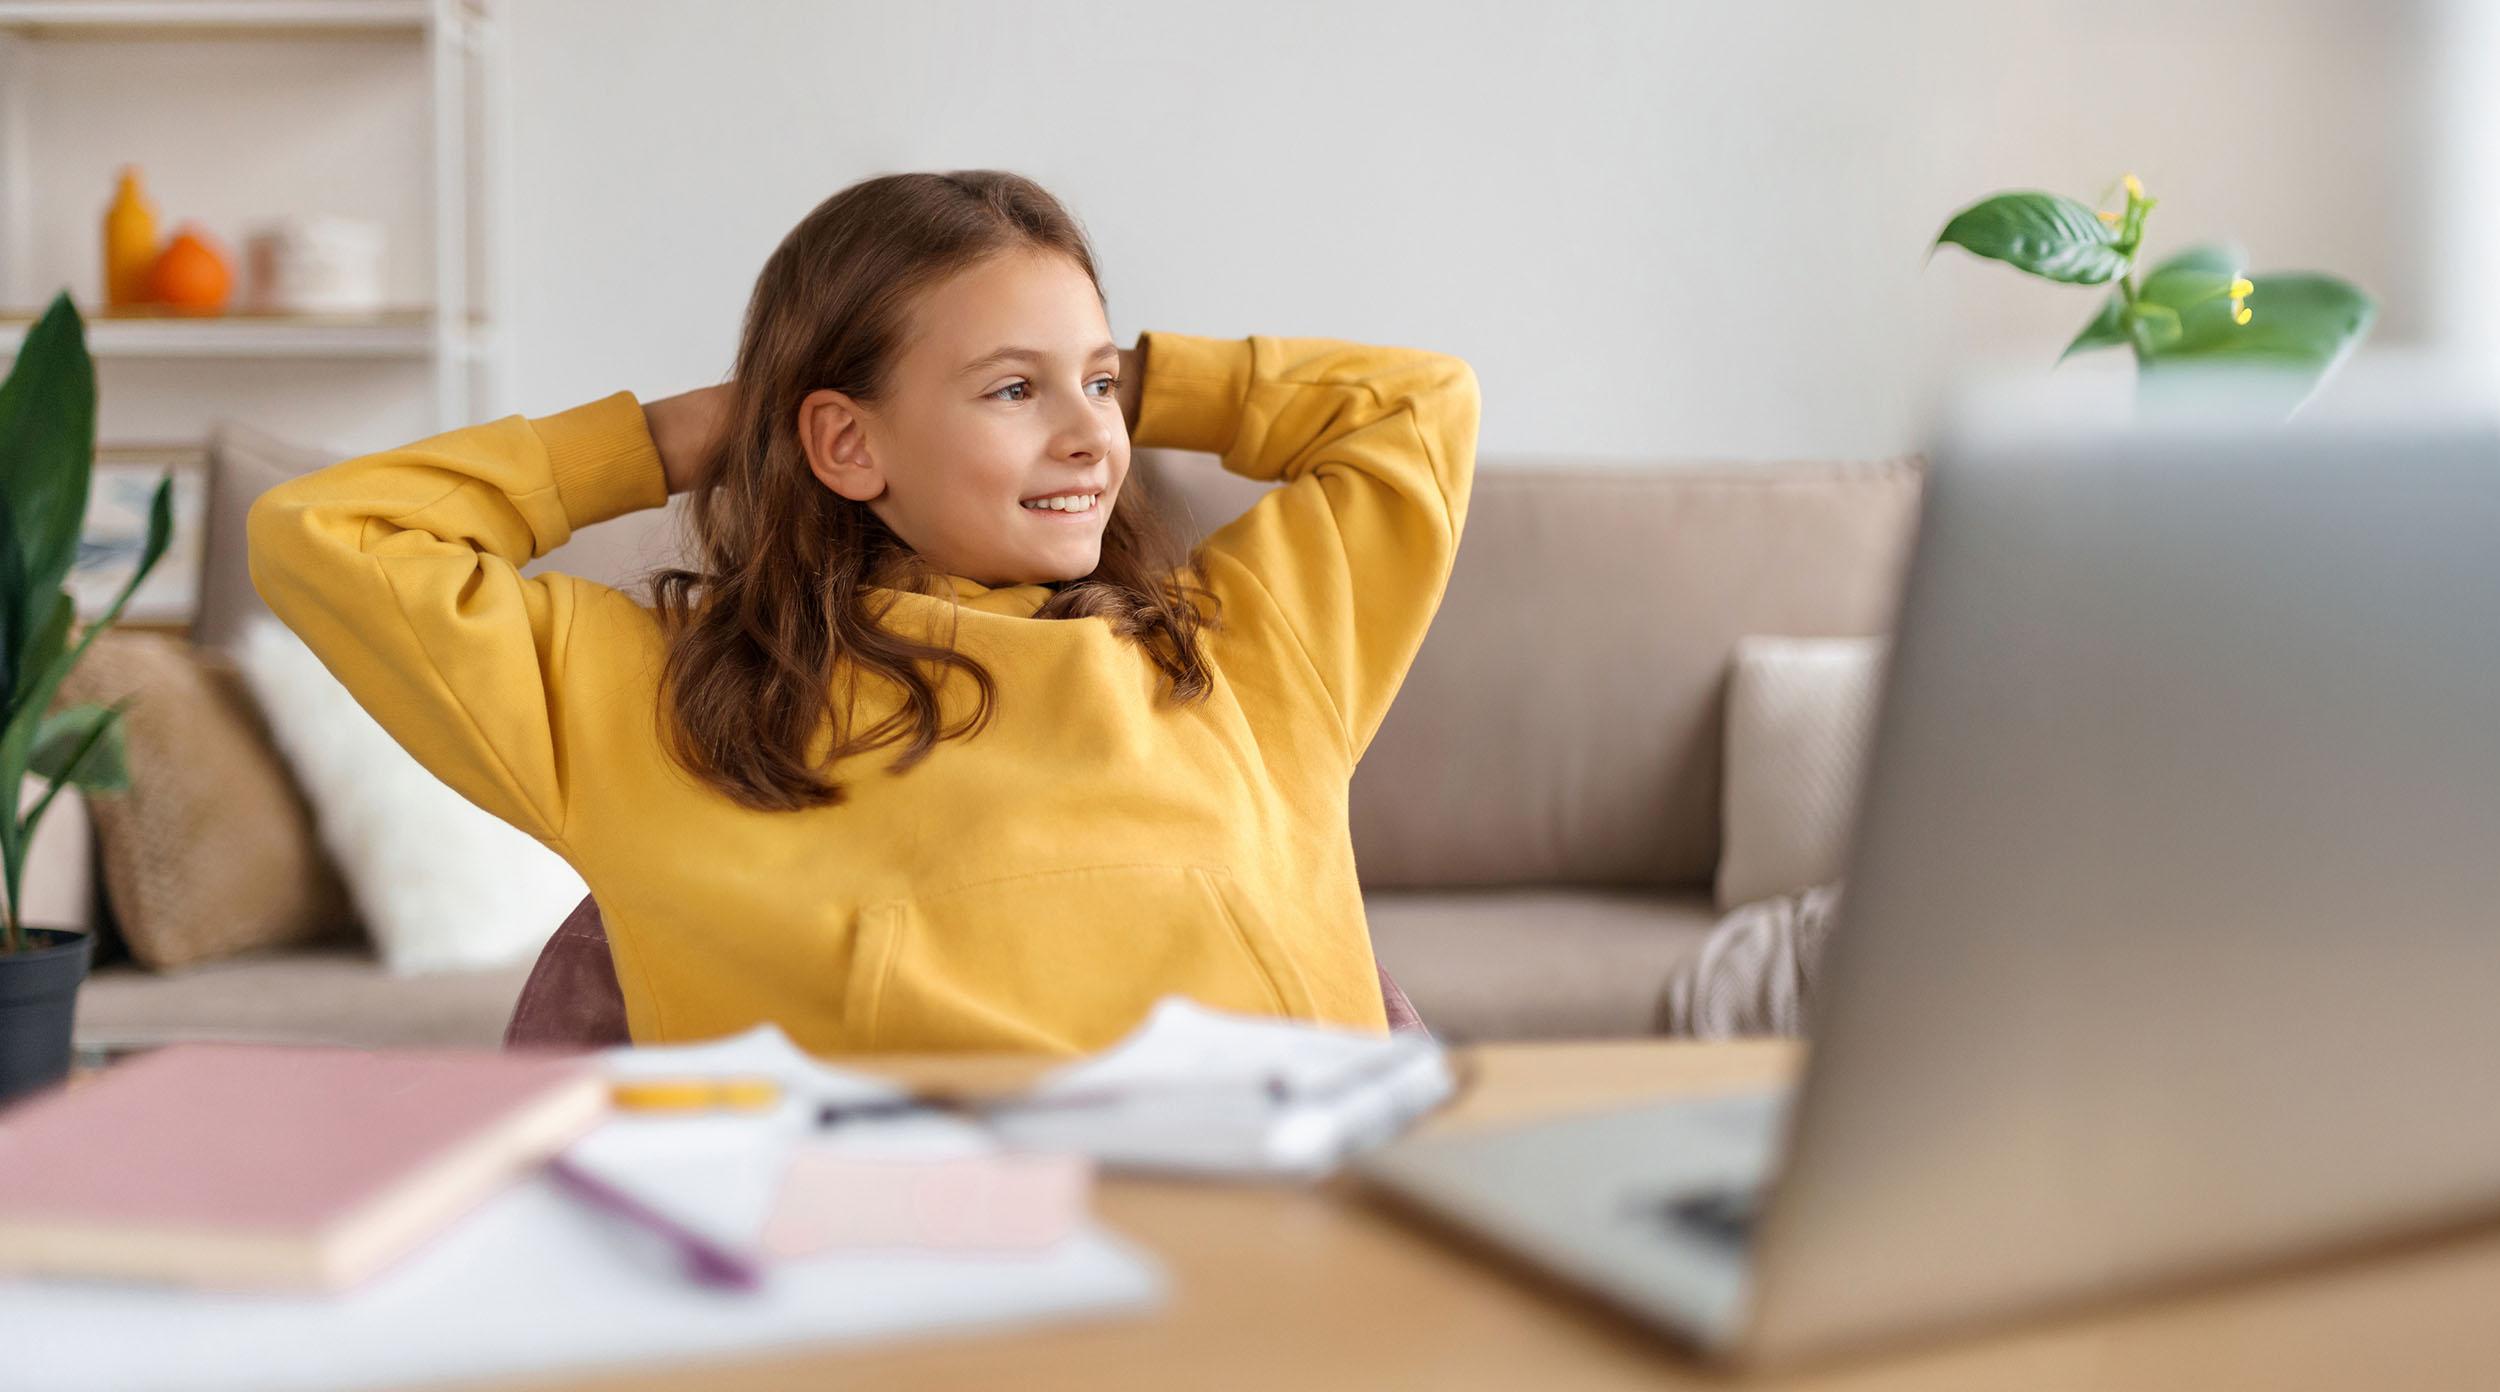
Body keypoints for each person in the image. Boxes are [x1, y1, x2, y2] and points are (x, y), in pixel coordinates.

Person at [246, 170, 1479, 1054]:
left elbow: (1417, 412)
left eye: (1098, 386)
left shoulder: (1244, 644)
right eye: (1010, 388)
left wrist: (1116, 374)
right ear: (843, 440)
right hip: (890, 1277)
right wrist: (692, 434)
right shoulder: (657, 698)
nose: (1088, 437)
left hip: (1272, 1254)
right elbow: (328, 534)